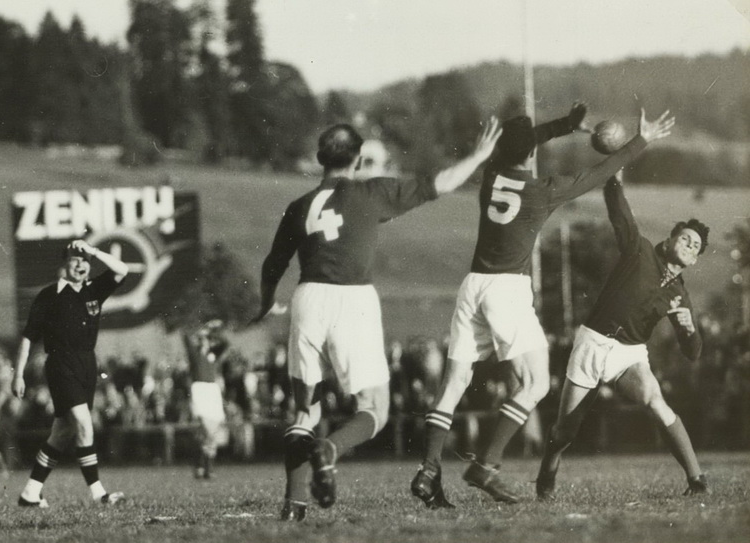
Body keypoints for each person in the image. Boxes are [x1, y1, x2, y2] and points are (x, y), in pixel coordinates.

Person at [411, 105, 677, 508]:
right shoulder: (542, 190)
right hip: (507, 290)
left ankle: (429, 469)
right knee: (535, 383)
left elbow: (520, 143)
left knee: (453, 384)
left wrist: (564, 126)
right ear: (531, 154)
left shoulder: (491, 176)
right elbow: (599, 174)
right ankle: (486, 465)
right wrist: (642, 139)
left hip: (473, 286)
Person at [255, 118, 503, 521]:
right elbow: (436, 185)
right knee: (374, 407)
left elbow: (272, 266)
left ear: (321, 159)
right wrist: (478, 155)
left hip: (306, 297)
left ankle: (294, 505)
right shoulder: (370, 191)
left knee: (305, 410)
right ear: (358, 158)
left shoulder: (299, 206)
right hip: (352, 299)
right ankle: (331, 450)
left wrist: (267, 302)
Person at [536, 172, 710, 499]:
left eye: (696, 246)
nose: (689, 245)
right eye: (686, 238)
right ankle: (548, 470)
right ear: (670, 241)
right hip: (592, 342)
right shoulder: (639, 251)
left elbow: (694, 353)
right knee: (565, 431)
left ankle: (697, 480)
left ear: (696, 259)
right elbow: (619, 212)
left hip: (629, 354)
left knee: (654, 400)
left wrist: (689, 332)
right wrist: (614, 178)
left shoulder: (680, 295)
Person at [12, 239, 130, 508]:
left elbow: (122, 270)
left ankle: (31, 492)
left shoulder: (94, 291)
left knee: (62, 432)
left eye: (85, 260)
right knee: (83, 423)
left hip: (87, 365)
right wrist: (18, 374)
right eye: (75, 259)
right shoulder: (48, 295)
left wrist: (95, 251)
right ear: (64, 264)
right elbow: (28, 337)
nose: (80, 265)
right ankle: (99, 494)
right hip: (60, 364)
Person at [183, 319, 230, 480]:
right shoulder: (195, 355)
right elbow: (186, 336)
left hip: (213, 391)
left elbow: (225, 343)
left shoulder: (213, 355)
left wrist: (212, 330)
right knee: (206, 430)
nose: (205, 342)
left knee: (212, 433)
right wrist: (199, 330)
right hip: (200, 390)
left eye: (207, 340)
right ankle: (202, 465)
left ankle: (205, 467)